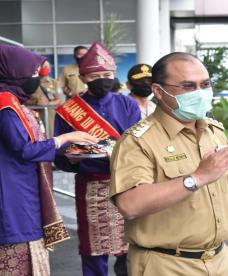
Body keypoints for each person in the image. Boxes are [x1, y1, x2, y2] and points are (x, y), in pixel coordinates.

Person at [110, 52, 228, 276]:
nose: (199, 93)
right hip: (167, 265)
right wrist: (197, 179)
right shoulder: (137, 141)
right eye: (188, 86)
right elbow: (129, 205)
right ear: (158, 91)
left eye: (205, 84)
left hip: (222, 262)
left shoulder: (214, 132)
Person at [0, 45, 98, 275]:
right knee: (20, 256)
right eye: (33, 73)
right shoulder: (5, 104)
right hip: (13, 193)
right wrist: (65, 138)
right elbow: (24, 149)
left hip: (23, 187)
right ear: (14, 72)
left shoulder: (14, 100)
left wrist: (66, 154)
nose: (37, 78)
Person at [54, 41, 141, 276]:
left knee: (131, 248)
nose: (102, 79)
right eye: (95, 75)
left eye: (107, 74)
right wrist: (69, 157)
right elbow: (59, 154)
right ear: (83, 77)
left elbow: (139, 145)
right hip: (90, 185)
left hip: (127, 184)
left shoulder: (128, 104)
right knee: (93, 250)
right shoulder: (68, 110)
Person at [26, 60, 64, 137]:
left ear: (50, 69)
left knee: (51, 135)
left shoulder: (55, 83)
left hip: (50, 116)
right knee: (36, 135)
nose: (44, 68)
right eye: (42, 67)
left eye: (46, 67)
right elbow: (24, 99)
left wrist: (47, 104)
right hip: (34, 115)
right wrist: (35, 102)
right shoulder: (30, 83)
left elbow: (60, 99)